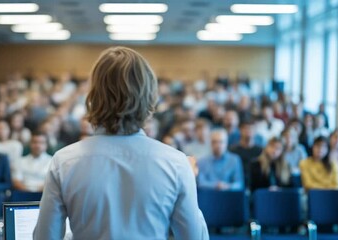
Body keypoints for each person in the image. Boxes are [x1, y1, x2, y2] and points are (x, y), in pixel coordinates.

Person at [34, 47, 208, 240]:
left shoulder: (64, 161)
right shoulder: (176, 163)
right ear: (149, 96)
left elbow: (45, 237)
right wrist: (188, 181)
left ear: (93, 96)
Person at [230, 120, 263, 187]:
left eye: (251, 128)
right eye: (246, 128)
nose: (249, 131)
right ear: (240, 130)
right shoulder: (232, 151)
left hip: (256, 185)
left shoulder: (261, 151)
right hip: (237, 185)